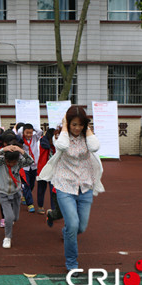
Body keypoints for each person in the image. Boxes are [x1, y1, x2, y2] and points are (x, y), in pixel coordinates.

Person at [38, 106, 105, 274]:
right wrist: (65, 127)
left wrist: (87, 129)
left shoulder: (87, 137)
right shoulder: (59, 135)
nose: (77, 128)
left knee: (80, 228)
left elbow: (95, 147)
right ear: (68, 123)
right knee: (73, 225)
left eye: (80, 125)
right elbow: (61, 145)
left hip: (85, 186)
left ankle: (66, 231)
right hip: (64, 185)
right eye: (74, 124)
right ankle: (71, 262)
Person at [0, 144, 34, 248]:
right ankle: (7, 237)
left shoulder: (18, 163)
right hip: (3, 193)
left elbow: (30, 161)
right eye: (9, 161)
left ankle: (10, 222)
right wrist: (3, 149)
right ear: (5, 158)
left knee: (15, 218)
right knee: (9, 217)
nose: (11, 164)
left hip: (16, 193)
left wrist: (21, 151)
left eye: (13, 162)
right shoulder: (1, 162)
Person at [17, 123, 43, 214]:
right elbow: (19, 131)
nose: (29, 135)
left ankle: (25, 194)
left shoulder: (35, 138)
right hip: (24, 165)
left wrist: (32, 126)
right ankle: (30, 204)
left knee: (32, 184)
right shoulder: (20, 138)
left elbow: (40, 131)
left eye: (30, 133)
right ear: (23, 132)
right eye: (27, 133)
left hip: (33, 164)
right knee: (26, 184)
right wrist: (23, 128)